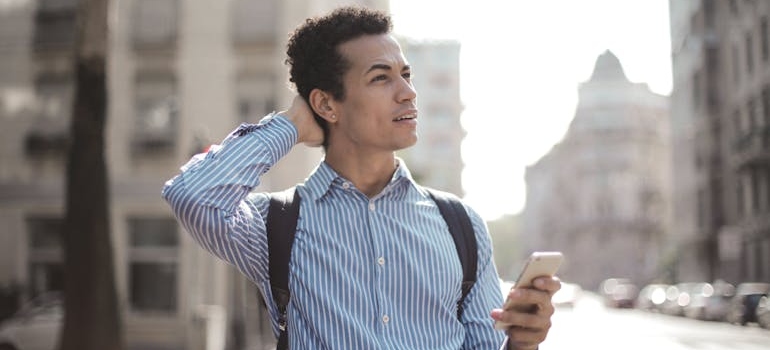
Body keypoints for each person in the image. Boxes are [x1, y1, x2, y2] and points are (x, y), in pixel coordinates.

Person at [162, 5, 560, 350]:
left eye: (406, 74)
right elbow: (193, 193)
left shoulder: (461, 225)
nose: (408, 92)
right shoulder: (275, 225)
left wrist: (520, 342)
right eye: (381, 78)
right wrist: (293, 124)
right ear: (326, 103)